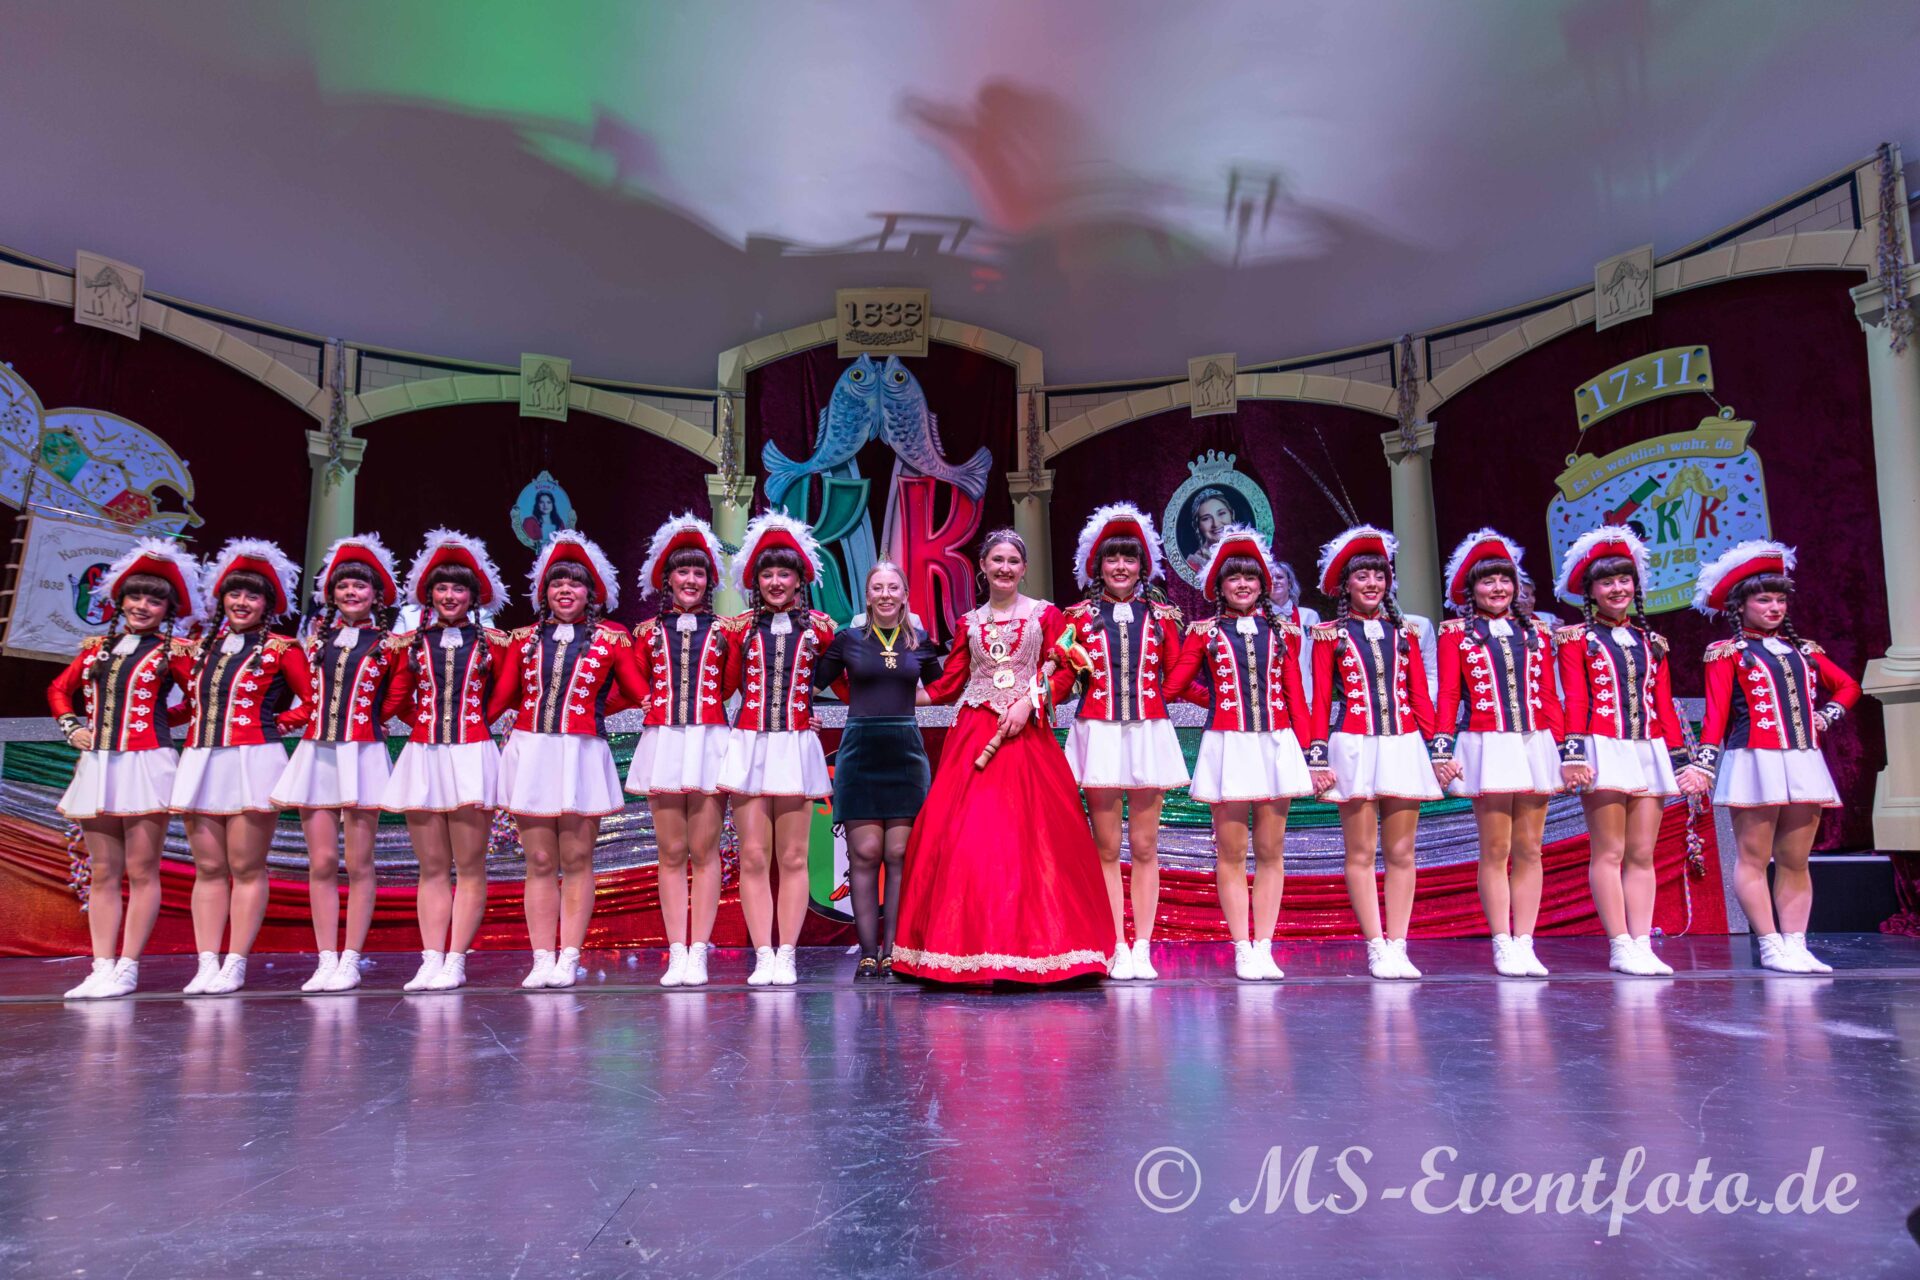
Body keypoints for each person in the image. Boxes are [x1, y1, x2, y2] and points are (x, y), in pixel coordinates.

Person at [892, 529, 1113, 984]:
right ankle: (965, 951)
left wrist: (1030, 702)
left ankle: (1041, 952)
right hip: (975, 735)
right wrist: (891, 694)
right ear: (983, 567)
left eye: (1013, 561)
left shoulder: (1046, 615)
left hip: (1027, 735)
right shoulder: (968, 622)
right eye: (997, 560)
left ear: (1024, 568)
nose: (1005, 568)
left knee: (1035, 841)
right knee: (971, 840)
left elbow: (1066, 672)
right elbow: (950, 681)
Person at [1679, 540, 1860, 974]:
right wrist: (1703, 764)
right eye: (1764, 600)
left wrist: (1826, 715)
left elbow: (1848, 686)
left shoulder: (1805, 651)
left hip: (1803, 760)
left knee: (1796, 859)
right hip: (1753, 759)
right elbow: (1716, 714)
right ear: (1740, 606)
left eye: (1780, 600)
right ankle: (1770, 944)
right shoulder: (1728, 652)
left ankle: (1796, 943)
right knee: (1754, 858)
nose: (1775, 607)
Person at [46, 538, 203, 999]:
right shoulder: (97, 648)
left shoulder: (176, 651)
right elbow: (58, 689)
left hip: (147, 763)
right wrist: (71, 727)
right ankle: (100, 966)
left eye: (154, 601)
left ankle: (128, 966)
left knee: (143, 869)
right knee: (104, 871)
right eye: (135, 597)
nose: (142, 606)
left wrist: (160, 721)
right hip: (98, 764)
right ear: (121, 601)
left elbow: (200, 700)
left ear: (167, 609)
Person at [490, 531, 647, 990]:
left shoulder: (613, 638)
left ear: (590, 592)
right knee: (539, 859)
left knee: (577, 858)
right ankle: (542, 957)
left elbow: (638, 692)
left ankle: (569, 956)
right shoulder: (522, 640)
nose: (565, 590)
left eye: (575, 583)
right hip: (532, 750)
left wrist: (592, 709)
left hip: (582, 752)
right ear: (544, 592)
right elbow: (503, 697)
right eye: (557, 583)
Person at [1163, 526, 1312, 980]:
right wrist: (1217, 701)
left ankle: (1264, 945)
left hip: (1275, 742)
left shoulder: (1285, 632)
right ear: (1219, 585)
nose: (1243, 585)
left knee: (1271, 851)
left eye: (1250, 577)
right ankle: (1242, 947)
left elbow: (1295, 696)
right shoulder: (1204, 632)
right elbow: (1175, 684)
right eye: (1234, 578)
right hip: (1227, 745)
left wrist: (1313, 752)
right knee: (1230, 852)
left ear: (1263, 583)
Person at [168, 538, 313, 995]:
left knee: (247, 865)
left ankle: (235, 962)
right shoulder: (197, 649)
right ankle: (206, 961)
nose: (242, 602)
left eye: (253, 595)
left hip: (254, 760)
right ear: (222, 598)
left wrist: (278, 722)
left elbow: (313, 701)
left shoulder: (282, 648)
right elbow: (188, 705)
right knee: (209, 867)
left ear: (267, 604)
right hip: (201, 759)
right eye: (235, 593)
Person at [1553, 526, 1689, 977]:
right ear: (1590, 591)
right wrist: (1573, 753)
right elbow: (1575, 698)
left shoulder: (1653, 642)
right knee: (1609, 851)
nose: (1618, 589)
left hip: (1648, 748)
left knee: (1642, 853)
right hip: (1602, 746)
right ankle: (1620, 943)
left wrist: (1681, 760)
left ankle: (1642, 941)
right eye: (1607, 582)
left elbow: (1664, 705)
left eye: (1624, 580)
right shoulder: (1575, 639)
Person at [1061, 503, 1189, 981]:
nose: (1120, 567)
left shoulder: (1163, 615)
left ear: (1142, 565)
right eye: (1112, 558)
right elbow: (1062, 677)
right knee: (1107, 847)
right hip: (1098, 732)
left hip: (1147, 732)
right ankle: (1114, 942)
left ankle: (1143, 946)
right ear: (1098, 566)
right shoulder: (1076, 617)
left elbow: (1177, 677)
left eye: (1129, 558)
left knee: (1146, 845)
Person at [1305, 525, 1439, 980]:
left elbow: (1419, 695)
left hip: (1403, 743)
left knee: (1402, 851)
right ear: (1346, 584)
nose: (1372, 583)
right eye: (1362, 576)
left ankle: (1399, 944)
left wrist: (1437, 747)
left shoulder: (1406, 632)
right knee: (1360, 852)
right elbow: (1320, 700)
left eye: (1379, 575)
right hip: (1353, 744)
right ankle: (1376, 946)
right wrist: (1317, 755)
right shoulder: (1328, 635)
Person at [1428, 529, 1564, 978]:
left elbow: (1548, 694)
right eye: (1488, 581)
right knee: (1496, 847)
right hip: (1487, 743)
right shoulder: (1456, 634)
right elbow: (1449, 694)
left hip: (1534, 741)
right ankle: (1502, 941)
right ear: (1472, 589)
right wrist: (1441, 748)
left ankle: (1525, 940)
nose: (1499, 588)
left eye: (1506, 579)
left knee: (1530, 848)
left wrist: (1567, 749)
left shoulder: (1538, 631)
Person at [381, 529, 512, 992]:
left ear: (473, 596)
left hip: (473, 755)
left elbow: (504, 694)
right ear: (429, 594)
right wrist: (421, 723)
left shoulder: (494, 642)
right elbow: (397, 698)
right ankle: (430, 957)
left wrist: (475, 725)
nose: (450, 596)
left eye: (459, 588)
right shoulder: (410, 644)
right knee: (432, 867)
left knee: (470, 865)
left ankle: (456, 959)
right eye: (442, 588)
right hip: (423, 756)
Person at [271, 534, 402, 993]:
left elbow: (398, 695)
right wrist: (280, 721)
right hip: (317, 753)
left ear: (375, 595)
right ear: (332, 594)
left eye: (359, 586)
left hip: (362, 754)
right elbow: (307, 700)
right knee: (323, 861)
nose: (351, 592)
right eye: (343, 585)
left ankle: (351, 958)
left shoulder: (390, 644)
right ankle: (326, 957)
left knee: (359, 862)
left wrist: (373, 720)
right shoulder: (312, 643)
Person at [721, 511, 837, 987]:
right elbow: (721, 687)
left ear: (798, 579)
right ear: (756, 580)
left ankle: (786, 952)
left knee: (792, 857)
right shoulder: (738, 628)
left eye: (783, 574)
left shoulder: (822, 629)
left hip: (796, 746)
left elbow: (840, 682)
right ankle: (762, 953)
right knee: (753, 856)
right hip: (749, 745)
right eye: (766, 574)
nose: (775, 582)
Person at [811, 561, 940, 978]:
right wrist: (803, 715)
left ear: (905, 595)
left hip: (905, 751)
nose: (885, 594)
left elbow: (943, 688)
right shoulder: (847, 640)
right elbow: (809, 684)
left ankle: (894, 952)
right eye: (878, 588)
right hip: (861, 751)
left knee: (899, 855)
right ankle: (868, 953)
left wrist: (903, 703)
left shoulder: (921, 641)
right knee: (865, 853)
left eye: (893, 587)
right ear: (867, 597)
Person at [627, 513, 737, 987]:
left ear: (708, 580)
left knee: (705, 850)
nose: (690, 580)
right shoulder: (645, 633)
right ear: (667, 579)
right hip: (664, 742)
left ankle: (699, 951)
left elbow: (731, 685)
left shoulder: (727, 631)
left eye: (698, 572)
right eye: (682, 572)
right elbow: (633, 681)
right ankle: (676, 950)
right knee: (671, 851)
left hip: (709, 740)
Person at [1181, 488, 1237, 574]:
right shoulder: (1193, 565)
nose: (1216, 524)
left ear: (1232, 514)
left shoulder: (1249, 551)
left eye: (1221, 513)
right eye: (1206, 518)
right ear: (1197, 525)